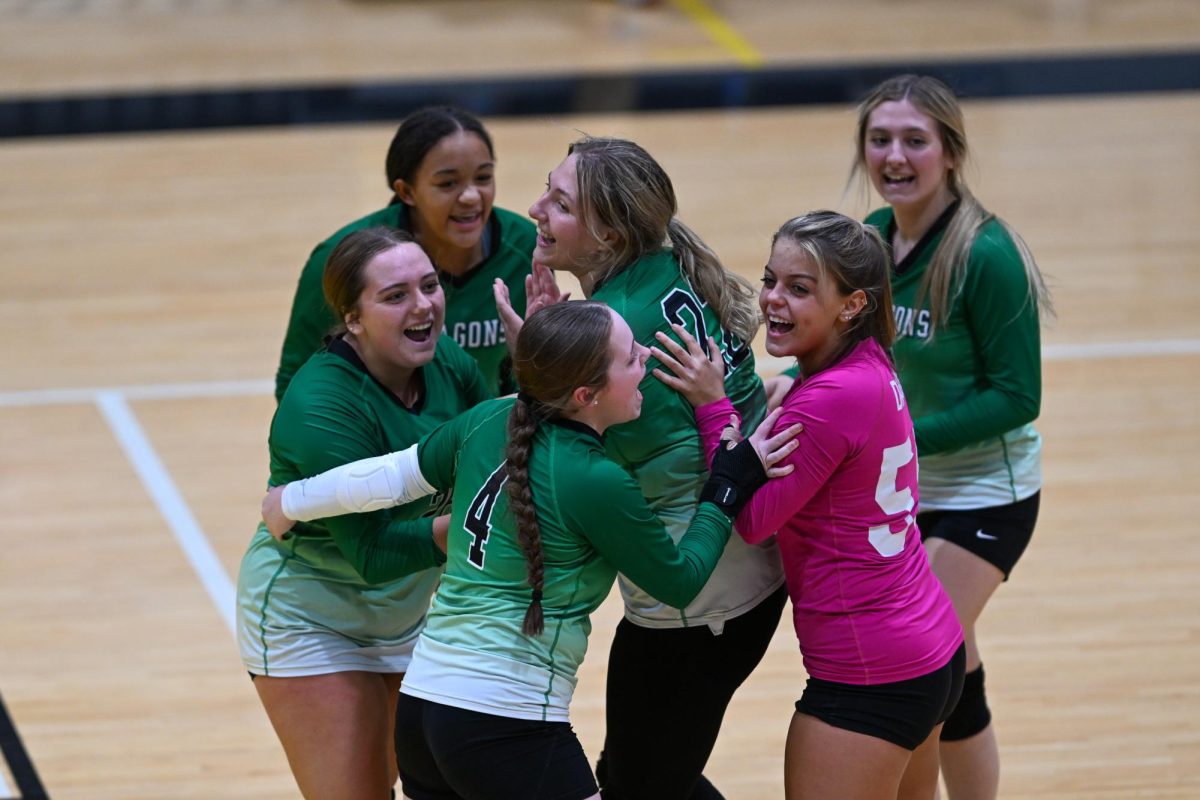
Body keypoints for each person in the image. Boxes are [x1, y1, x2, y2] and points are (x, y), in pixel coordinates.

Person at [261, 301, 802, 800]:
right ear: (586, 395)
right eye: (630, 357)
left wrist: (290, 501)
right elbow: (681, 581)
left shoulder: (486, 420)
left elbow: (387, 478)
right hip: (503, 724)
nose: (644, 359)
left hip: (424, 710)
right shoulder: (596, 480)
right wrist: (725, 489)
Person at [495, 136, 787, 800]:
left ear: (606, 233)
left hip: (702, 596)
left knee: (639, 785)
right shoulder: (659, 270)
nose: (536, 207)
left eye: (559, 202)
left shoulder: (619, 327)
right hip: (734, 578)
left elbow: (572, 464)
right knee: (648, 779)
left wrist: (538, 363)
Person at [653, 210, 966, 800]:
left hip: (871, 676)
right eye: (771, 279)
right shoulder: (868, 364)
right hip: (928, 648)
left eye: (799, 289)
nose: (773, 299)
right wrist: (783, 393)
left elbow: (750, 519)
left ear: (851, 305)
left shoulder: (828, 397)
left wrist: (713, 406)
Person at [852, 74, 1053, 800]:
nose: (895, 156)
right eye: (880, 140)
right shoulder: (868, 243)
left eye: (914, 140)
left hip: (986, 494)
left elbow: (1017, 395)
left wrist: (899, 438)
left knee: (916, 662)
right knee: (953, 663)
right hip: (903, 493)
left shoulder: (986, 254)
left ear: (951, 152)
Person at [236, 227, 491, 800]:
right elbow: (372, 553)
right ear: (352, 318)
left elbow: (498, 453)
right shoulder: (321, 404)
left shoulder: (448, 362)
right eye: (396, 295)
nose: (423, 305)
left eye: (429, 286)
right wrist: (468, 531)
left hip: (409, 614)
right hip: (313, 617)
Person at [275, 105, 536, 400]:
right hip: (379, 438)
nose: (471, 196)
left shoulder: (524, 248)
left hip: (479, 434)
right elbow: (295, 381)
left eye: (483, 177)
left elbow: (525, 369)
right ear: (406, 191)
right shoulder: (337, 259)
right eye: (448, 183)